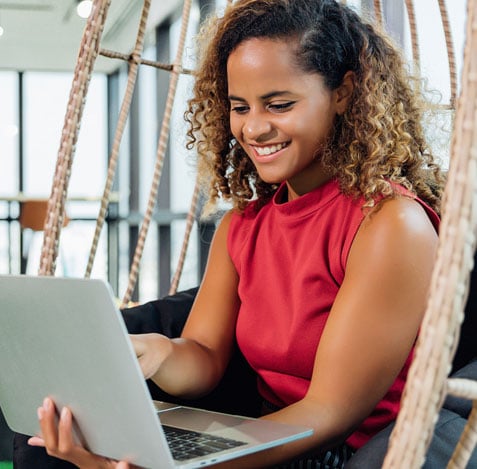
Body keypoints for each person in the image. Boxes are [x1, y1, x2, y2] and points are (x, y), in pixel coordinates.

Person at [25, 0, 445, 467]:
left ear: (344, 92)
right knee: (53, 451)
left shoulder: (390, 223)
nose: (254, 128)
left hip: (341, 451)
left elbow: (331, 412)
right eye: (239, 107)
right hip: (262, 430)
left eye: (279, 104)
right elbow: (204, 357)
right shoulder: (243, 224)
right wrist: (159, 353)